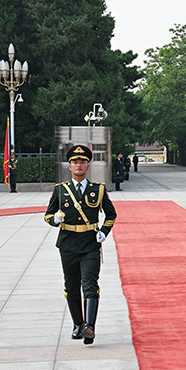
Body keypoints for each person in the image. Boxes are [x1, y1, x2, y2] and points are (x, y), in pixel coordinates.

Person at [44, 144, 117, 345]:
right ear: (69, 166)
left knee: (90, 285)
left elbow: (111, 214)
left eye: (82, 162)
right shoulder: (60, 191)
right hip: (67, 244)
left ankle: (89, 326)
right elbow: (48, 215)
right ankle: (77, 324)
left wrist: (103, 232)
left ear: (87, 165)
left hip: (90, 244)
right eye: (75, 162)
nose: (78, 165)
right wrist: (55, 220)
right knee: (71, 286)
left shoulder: (98, 190)